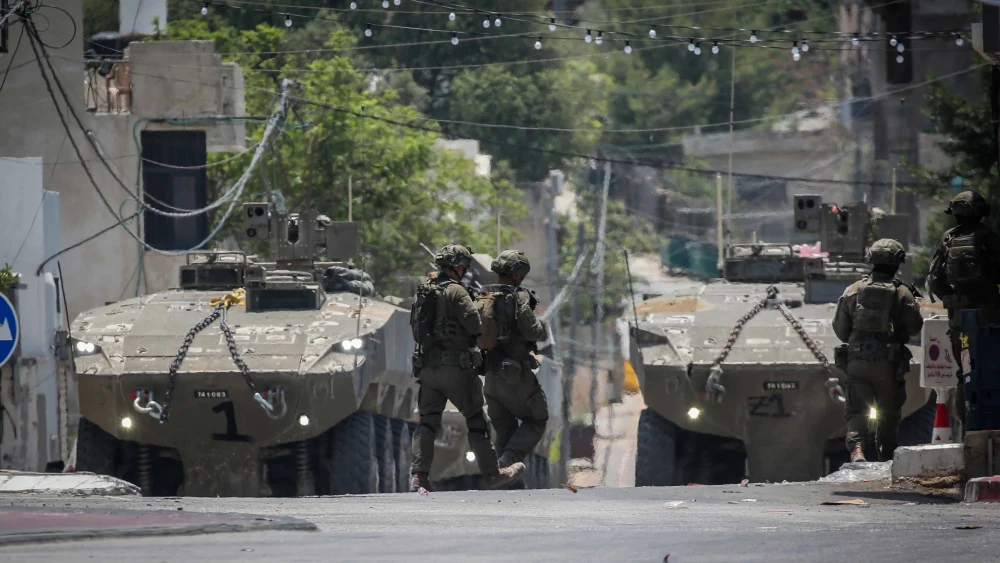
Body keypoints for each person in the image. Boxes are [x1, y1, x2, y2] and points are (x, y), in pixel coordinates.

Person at [409, 244, 524, 492]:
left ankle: (419, 476)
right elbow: (475, 326)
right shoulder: (458, 292)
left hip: (427, 368)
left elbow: (416, 328)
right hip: (457, 369)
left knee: (427, 423)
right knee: (475, 420)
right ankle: (493, 474)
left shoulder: (422, 291)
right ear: (458, 266)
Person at [833, 239, 924, 463]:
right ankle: (886, 456)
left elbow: (841, 330)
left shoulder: (852, 290)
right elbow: (915, 328)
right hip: (888, 364)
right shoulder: (903, 293)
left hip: (857, 361)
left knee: (856, 409)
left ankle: (857, 450)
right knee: (888, 413)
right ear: (898, 263)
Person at [927, 190, 1000, 432]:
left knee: (965, 374)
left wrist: (955, 299)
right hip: (990, 317)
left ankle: (969, 429)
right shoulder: (988, 238)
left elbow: (935, 280)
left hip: (960, 321)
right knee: (992, 370)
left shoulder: (947, 239)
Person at [479, 250, 550, 470]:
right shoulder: (519, 298)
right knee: (537, 419)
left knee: (504, 428)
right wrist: (542, 324)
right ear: (518, 274)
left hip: (490, 377)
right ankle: (508, 461)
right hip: (515, 376)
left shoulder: (481, 297)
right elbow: (534, 333)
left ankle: (504, 479)